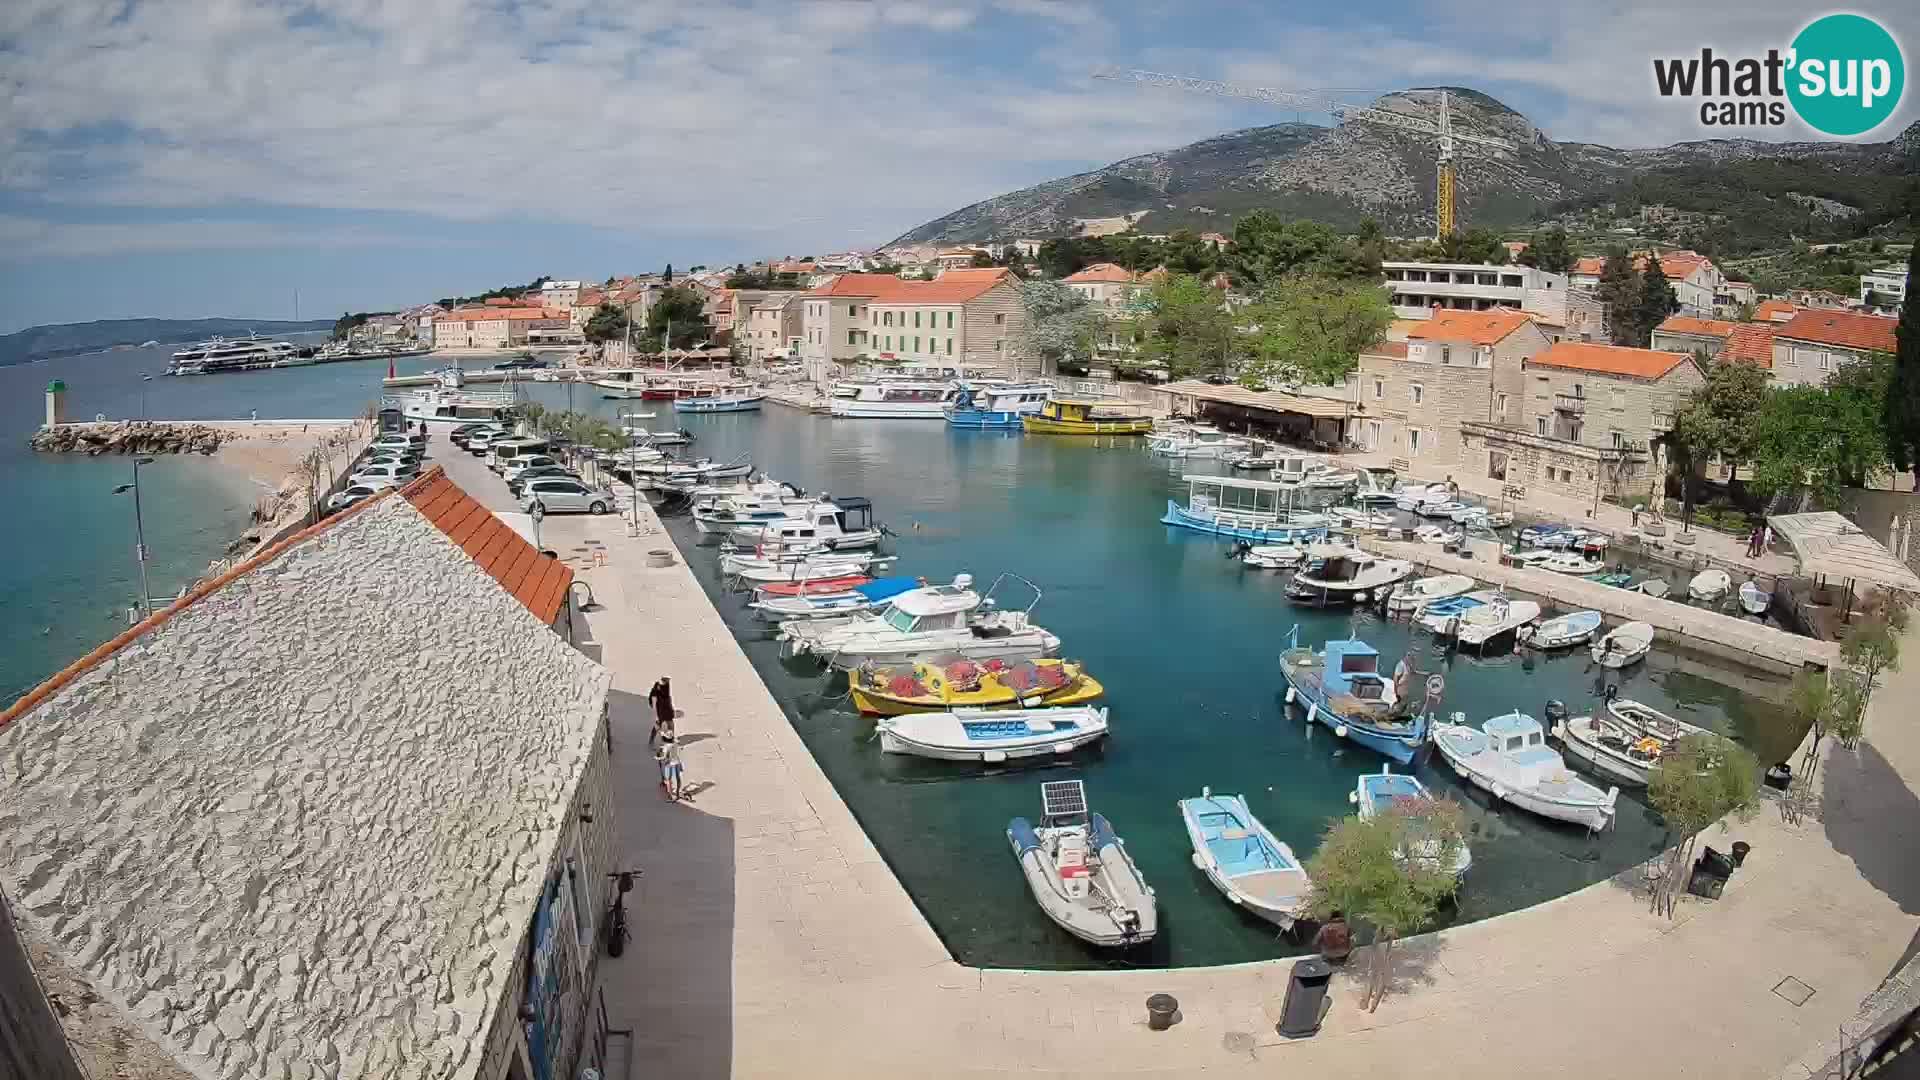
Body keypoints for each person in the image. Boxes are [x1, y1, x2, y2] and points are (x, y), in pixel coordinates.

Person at [655, 734, 684, 801]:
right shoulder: (675, 744)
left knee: (668, 780)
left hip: (670, 765)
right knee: (678, 779)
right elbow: (680, 747)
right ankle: (677, 794)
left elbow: (664, 757)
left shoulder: (666, 747)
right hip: (678, 763)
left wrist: (657, 758)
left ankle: (671, 796)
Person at [648, 676, 675, 744]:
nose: (668, 682)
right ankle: (652, 740)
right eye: (666, 680)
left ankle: (670, 738)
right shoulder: (658, 689)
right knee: (659, 725)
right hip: (662, 710)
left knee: (670, 724)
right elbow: (653, 699)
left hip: (667, 709)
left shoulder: (665, 687)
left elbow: (667, 698)